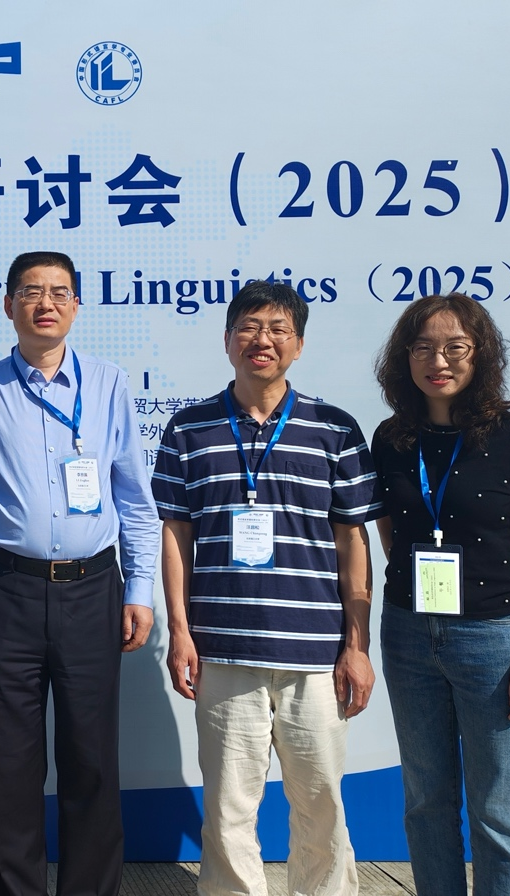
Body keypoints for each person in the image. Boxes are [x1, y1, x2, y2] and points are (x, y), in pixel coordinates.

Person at [152, 280, 378, 896]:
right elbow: (175, 534)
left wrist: (357, 645)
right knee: (228, 810)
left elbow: (353, 542)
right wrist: (180, 632)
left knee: (322, 806)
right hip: (223, 651)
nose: (263, 340)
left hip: (315, 655)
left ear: (299, 345)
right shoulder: (189, 429)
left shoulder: (335, 429)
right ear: (227, 340)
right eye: (250, 327)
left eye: (279, 329)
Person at [0, 251, 159, 896]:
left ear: (76, 305)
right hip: (6, 590)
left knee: (91, 757)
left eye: (60, 292)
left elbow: (134, 497)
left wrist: (140, 588)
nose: (46, 303)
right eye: (32, 292)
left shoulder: (109, 384)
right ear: (9, 305)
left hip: (94, 588)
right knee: (11, 761)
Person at [370, 294, 510, 896]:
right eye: (423, 347)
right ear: (404, 358)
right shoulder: (392, 438)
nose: (439, 361)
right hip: (408, 634)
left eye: (456, 347)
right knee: (425, 800)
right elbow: (390, 531)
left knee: (497, 808)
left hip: (494, 639)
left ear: (481, 354)